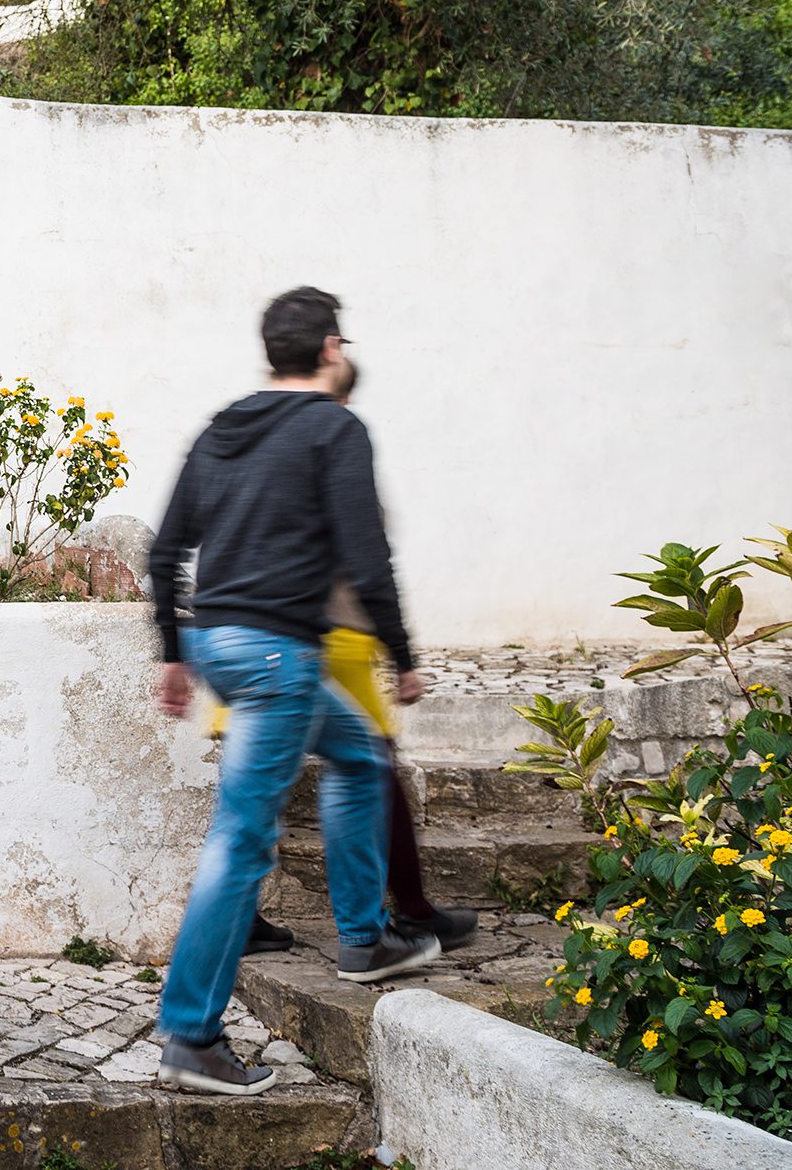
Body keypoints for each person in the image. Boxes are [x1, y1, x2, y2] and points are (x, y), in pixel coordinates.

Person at [146, 287, 443, 1097]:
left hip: (223, 644)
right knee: (240, 840)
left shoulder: (222, 427)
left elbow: (166, 547)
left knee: (356, 755)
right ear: (331, 349)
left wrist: (176, 652)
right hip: (277, 654)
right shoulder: (334, 427)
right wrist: (401, 654)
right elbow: (366, 551)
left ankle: (364, 940)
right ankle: (191, 1036)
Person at [218, 361, 478, 958]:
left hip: (263, 636)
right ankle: (403, 913)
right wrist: (401, 652)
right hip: (333, 633)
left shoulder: (260, 444)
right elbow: (368, 557)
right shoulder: (337, 441)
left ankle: (242, 916)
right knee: (374, 767)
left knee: (257, 779)